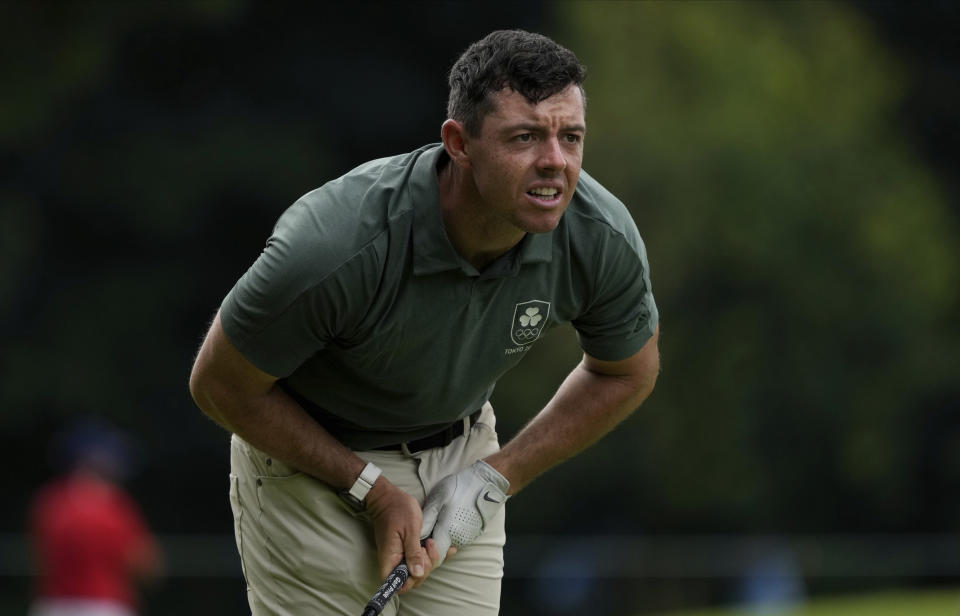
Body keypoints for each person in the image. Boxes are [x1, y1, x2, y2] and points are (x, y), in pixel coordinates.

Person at [189, 29, 659, 616]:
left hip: (461, 461)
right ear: (459, 144)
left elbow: (625, 373)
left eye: (571, 138)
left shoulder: (599, 234)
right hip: (310, 467)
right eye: (525, 137)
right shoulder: (338, 243)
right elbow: (219, 384)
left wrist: (495, 477)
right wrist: (371, 488)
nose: (555, 163)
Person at [28, 419, 162, 616]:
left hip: (52, 606)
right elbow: (147, 567)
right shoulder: (115, 506)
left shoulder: (49, 502)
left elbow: (39, 561)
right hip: (105, 607)